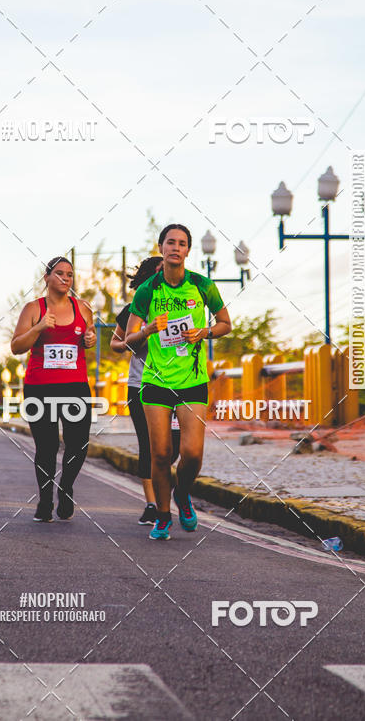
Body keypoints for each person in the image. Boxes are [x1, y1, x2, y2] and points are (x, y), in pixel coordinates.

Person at [126, 224, 231, 540]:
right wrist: (147, 331)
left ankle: (182, 494)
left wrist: (205, 332)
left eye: (182, 243)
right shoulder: (148, 291)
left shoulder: (202, 286)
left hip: (192, 380)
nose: (175, 247)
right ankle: (162, 515)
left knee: (192, 453)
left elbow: (226, 323)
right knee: (160, 454)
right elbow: (128, 340)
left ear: (188, 250)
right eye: (170, 242)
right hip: (156, 382)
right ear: (161, 247)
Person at [11, 256, 97, 522]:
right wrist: (38, 327)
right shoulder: (33, 308)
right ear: (47, 278)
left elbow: (89, 337)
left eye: (69, 275)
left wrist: (90, 339)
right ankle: (45, 499)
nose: (65, 279)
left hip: (75, 386)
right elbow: (16, 347)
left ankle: (66, 487)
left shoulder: (82, 307)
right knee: (46, 447)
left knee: (78, 444)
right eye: (59, 274)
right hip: (40, 388)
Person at [111, 256, 181, 525]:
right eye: (163, 269)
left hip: (178, 384)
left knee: (173, 448)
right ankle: (152, 504)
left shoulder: (178, 304)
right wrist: (143, 334)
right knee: (149, 445)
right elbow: (116, 345)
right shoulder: (133, 308)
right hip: (141, 384)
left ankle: (166, 492)